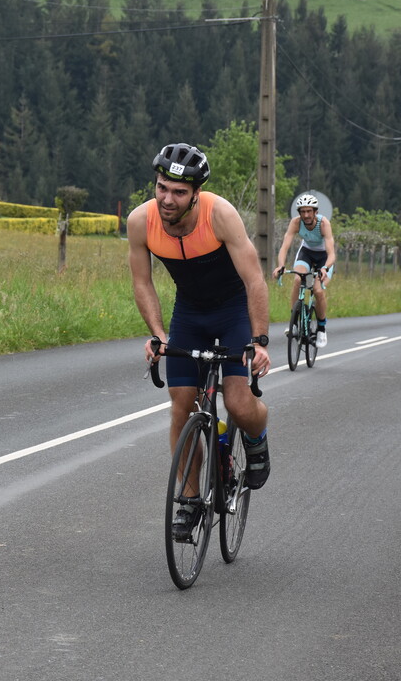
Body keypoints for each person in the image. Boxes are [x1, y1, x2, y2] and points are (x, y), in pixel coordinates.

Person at [128, 142, 272, 541]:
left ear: (196, 194)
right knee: (181, 408)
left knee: (239, 402)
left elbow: (254, 280)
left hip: (232, 311)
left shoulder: (219, 215)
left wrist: (259, 340)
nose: (166, 199)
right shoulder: (140, 221)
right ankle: (190, 499)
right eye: (161, 188)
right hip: (189, 313)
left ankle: (256, 439)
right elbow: (142, 283)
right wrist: (158, 335)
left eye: (178, 192)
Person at [272, 193, 336, 347]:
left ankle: (321, 328)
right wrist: (281, 265)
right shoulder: (296, 223)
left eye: (309, 211)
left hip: (324, 257)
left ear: (315, 211)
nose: (306, 215)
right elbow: (285, 247)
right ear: (299, 213)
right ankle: (294, 323)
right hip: (306, 253)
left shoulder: (323, 224)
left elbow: (331, 254)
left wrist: (325, 268)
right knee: (297, 279)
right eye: (303, 211)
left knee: (318, 291)